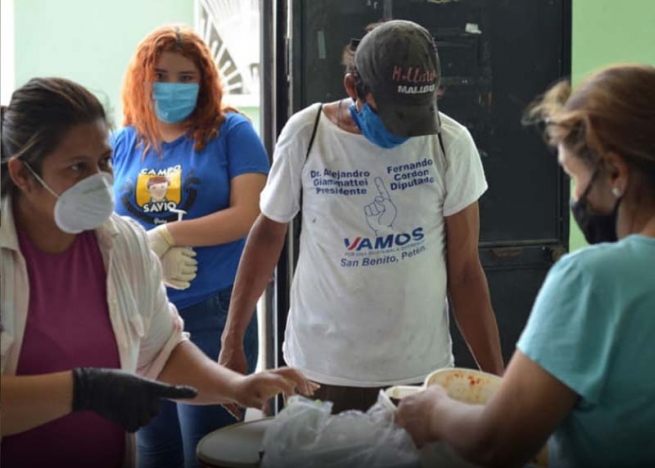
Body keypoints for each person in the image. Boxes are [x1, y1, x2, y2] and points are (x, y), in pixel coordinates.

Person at [0, 76, 317, 468]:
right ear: (22, 175)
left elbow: (162, 354)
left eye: (103, 162)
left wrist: (236, 386)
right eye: (76, 168)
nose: (97, 182)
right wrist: (82, 391)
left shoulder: (124, 245)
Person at [219, 19, 504, 414]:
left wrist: (499, 387)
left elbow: (466, 273)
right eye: (391, 115)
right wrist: (231, 343)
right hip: (320, 373)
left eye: (414, 115)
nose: (402, 131)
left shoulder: (448, 143)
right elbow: (268, 236)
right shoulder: (307, 133)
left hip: (419, 374)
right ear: (354, 87)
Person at [396, 63, 655, 468]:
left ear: (617, 172)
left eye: (575, 175)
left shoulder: (594, 280)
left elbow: (495, 442)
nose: (576, 195)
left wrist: (432, 411)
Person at [110, 25, 270, 468]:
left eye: (187, 77)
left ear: (204, 83)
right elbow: (102, 225)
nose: (174, 86)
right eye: (162, 75)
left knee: (209, 450)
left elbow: (250, 213)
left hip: (211, 311)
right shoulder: (123, 143)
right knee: (153, 451)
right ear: (143, 79)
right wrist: (147, 253)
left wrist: (168, 236)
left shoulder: (232, 131)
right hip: (143, 314)